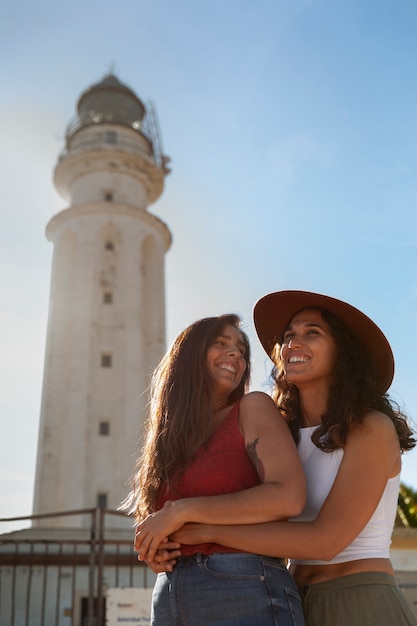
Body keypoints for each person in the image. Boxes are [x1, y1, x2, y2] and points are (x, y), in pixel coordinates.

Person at [167, 292, 417, 626]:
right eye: (288, 337)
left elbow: (326, 541)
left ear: (343, 352)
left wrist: (205, 531)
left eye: (312, 332)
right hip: (288, 601)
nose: (293, 344)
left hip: (359, 600)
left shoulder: (371, 427)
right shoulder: (279, 435)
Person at [129, 313, 307, 626]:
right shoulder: (167, 437)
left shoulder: (252, 407)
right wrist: (155, 548)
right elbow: (163, 520)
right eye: (220, 343)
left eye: (241, 349)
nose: (236, 353)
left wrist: (179, 511)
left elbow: (289, 497)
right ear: (189, 354)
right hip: (169, 593)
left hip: (244, 588)